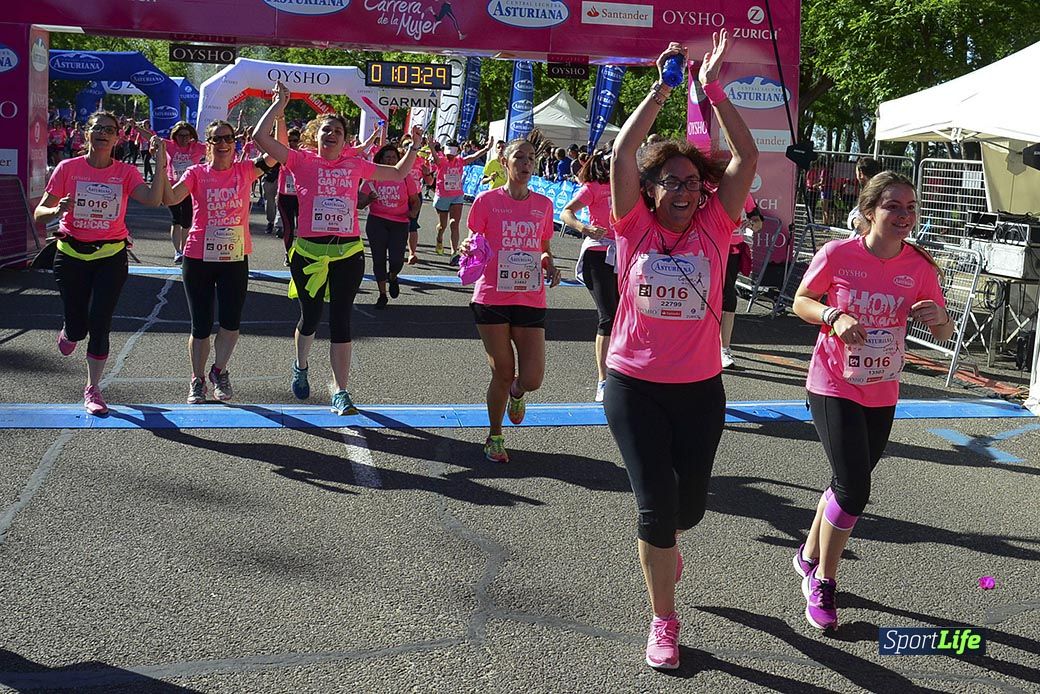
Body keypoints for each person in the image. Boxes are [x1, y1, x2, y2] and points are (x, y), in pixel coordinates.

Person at [603, 35, 757, 671]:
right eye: (673, 182)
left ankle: (668, 543)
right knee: (655, 508)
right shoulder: (633, 224)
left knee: (688, 507)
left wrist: (713, 87)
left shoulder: (717, 226)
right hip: (633, 386)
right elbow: (620, 152)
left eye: (695, 182)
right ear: (651, 189)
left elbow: (748, 154)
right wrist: (664, 86)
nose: (687, 190)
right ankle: (663, 619)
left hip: (699, 387)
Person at [791, 171, 953, 631]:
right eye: (893, 207)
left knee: (847, 481)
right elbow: (802, 300)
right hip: (832, 382)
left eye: (910, 208)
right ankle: (823, 580)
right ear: (868, 212)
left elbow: (942, 330)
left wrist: (939, 317)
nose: (904, 216)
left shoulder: (919, 266)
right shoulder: (839, 254)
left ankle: (807, 551)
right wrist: (832, 314)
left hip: (882, 387)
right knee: (855, 488)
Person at [253, 81, 423, 414]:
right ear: (315, 136)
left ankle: (341, 391)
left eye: (337, 132)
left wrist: (414, 147)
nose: (331, 135)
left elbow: (399, 172)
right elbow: (261, 137)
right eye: (325, 130)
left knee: (342, 320)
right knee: (311, 317)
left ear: (345, 141)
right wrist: (279, 105)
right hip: (309, 253)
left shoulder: (355, 165)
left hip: (347, 252)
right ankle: (301, 365)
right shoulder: (300, 161)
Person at [33, 111, 167, 414]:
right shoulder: (68, 168)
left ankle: (93, 389)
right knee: (79, 327)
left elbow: (153, 199)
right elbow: (39, 213)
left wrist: (161, 161)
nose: (103, 134)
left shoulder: (126, 173)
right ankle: (70, 330)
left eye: (109, 129)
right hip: (70, 254)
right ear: (86, 133)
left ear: (118, 137)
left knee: (101, 322)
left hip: (111, 255)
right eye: (98, 129)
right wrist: (58, 209)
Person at [460, 138, 561, 463]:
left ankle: (517, 393)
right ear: (504, 162)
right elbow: (473, 240)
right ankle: (494, 436)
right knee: (502, 371)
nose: (526, 163)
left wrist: (548, 260)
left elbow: (543, 244)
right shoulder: (487, 201)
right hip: (491, 295)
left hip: (530, 295)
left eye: (531, 158)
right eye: (520, 157)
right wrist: (465, 249)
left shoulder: (544, 204)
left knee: (531, 378)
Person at [163, 119, 275, 404]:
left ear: (234, 142)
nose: (223, 144)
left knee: (230, 323)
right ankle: (197, 379)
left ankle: (219, 370)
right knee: (200, 325)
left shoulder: (245, 170)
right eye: (217, 139)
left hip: (234, 257)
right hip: (199, 255)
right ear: (208, 144)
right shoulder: (196, 172)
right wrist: (159, 162)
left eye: (228, 138)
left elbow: (275, 154)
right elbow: (172, 197)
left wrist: (279, 111)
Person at [560, 150, 618, 402]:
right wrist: (585, 228)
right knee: (608, 315)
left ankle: (623, 373)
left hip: (626, 255)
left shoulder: (631, 186)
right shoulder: (594, 187)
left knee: (625, 316)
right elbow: (566, 212)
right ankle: (603, 380)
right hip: (598, 253)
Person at [357, 143, 421, 308]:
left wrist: (413, 212)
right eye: (387, 157)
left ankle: (393, 276)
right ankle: (382, 294)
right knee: (378, 259)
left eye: (394, 157)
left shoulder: (405, 177)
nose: (391, 160)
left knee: (396, 261)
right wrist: (369, 199)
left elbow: (415, 201)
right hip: (377, 221)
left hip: (399, 223)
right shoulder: (373, 176)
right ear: (381, 160)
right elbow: (359, 203)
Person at [139, 121, 206, 264]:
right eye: (181, 136)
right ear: (175, 136)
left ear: (191, 136)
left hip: (189, 189)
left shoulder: (197, 147)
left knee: (187, 221)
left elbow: (214, 149)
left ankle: (185, 248)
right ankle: (178, 251)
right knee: (176, 219)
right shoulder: (169, 145)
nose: (184, 139)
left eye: (187, 136)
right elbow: (150, 136)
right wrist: (136, 128)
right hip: (171, 188)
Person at [430, 138, 491, 265]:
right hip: (442, 196)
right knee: (442, 226)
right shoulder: (441, 161)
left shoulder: (460, 161)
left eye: (452, 152)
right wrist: (431, 147)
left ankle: (454, 253)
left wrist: (486, 148)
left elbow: (474, 156)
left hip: (456, 196)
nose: (450, 155)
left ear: (457, 152)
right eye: (448, 152)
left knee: (454, 223)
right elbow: (436, 159)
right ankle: (439, 237)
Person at [720, 195, 762, 368]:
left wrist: (752, 224)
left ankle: (724, 349)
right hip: (709, 249)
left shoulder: (744, 193)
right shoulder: (709, 186)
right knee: (712, 298)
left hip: (734, 252)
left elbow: (759, 221)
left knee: (728, 299)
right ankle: (706, 346)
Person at [277, 126, 302, 267]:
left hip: (301, 197)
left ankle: (300, 253)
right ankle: (288, 253)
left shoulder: (304, 155)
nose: (293, 143)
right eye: (290, 140)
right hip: (285, 196)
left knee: (302, 227)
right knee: (288, 226)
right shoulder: (284, 154)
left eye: (296, 140)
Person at [846, 157, 882, 236]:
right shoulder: (872, 190)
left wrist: (854, 220)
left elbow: (859, 222)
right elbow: (854, 217)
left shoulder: (873, 192)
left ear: (860, 173)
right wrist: (853, 220)